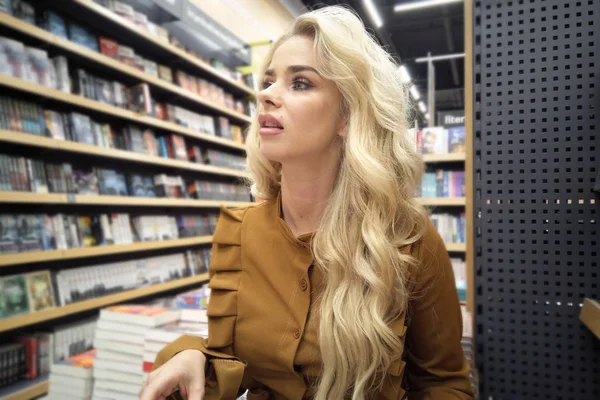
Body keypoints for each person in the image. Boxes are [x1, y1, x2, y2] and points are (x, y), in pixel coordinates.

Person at [140, 6, 473, 400]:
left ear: (348, 115)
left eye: (299, 83)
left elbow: (444, 385)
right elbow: (228, 358)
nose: (265, 95)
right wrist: (192, 355)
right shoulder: (239, 232)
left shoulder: (408, 242)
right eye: (267, 81)